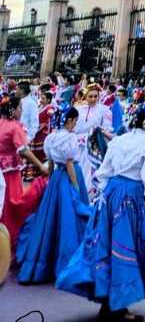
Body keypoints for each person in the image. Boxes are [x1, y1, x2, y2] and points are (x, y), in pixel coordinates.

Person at [57, 100, 145, 321]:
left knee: (104, 244)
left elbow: (104, 172)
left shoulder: (118, 141)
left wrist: (101, 199)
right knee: (126, 247)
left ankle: (110, 301)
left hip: (111, 193)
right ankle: (117, 306)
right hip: (132, 196)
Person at [17, 106, 91, 283]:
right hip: (68, 177)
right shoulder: (70, 138)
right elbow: (70, 164)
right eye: (75, 121)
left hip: (56, 178)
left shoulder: (51, 138)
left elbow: (50, 163)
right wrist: (76, 187)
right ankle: (68, 264)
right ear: (71, 120)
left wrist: (51, 181)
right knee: (70, 220)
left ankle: (43, 264)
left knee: (50, 219)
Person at [0, 93, 48, 252]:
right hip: (9, 172)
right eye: (20, 107)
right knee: (13, 203)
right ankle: (9, 242)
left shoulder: (1, 123)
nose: (21, 110)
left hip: (3, 169)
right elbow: (24, 150)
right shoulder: (14, 126)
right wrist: (40, 166)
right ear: (13, 110)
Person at [73, 82, 114, 193]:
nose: (93, 99)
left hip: (93, 146)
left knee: (89, 170)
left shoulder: (105, 110)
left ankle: (88, 194)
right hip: (77, 144)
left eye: (96, 96)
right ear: (86, 96)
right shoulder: (78, 109)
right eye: (90, 96)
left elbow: (106, 129)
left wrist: (98, 133)